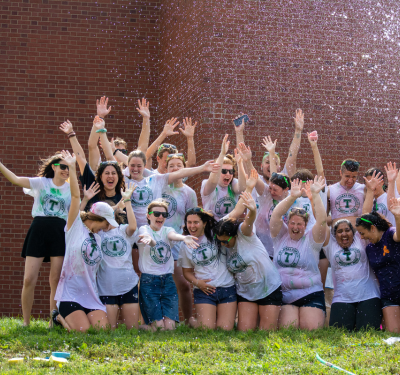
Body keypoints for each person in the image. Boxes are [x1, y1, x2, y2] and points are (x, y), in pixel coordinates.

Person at [0, 152, 71, 327]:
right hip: (38, 229)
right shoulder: (41, 183)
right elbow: (15, 180)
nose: (66, 170)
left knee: (55, 279)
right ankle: (26, 322)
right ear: (54, 166)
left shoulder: (71, 188)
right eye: (63, 166)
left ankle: (53, 321)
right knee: (28, 279)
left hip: (59, 233)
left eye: (69, 167)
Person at [54, 150, 117, 332]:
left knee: (102, 331)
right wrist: (73, 168)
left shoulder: (97, 236)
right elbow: (75, 197)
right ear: (97, 218)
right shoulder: (74, 228)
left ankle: (65, 319)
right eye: (106, 223)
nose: (107, 228)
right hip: (70, 295)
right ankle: (59, 317)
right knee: (82, 332)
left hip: (90, 295)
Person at [214, 169, 282, 331]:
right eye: (220, 242)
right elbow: (236, 211)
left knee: (267, 332)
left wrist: (252, 210)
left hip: (268, 286)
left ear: (233, 235)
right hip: (246, 291)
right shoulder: (220, 230)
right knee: (244, 331)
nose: (223, 245)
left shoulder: (244, 234)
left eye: (226, 242)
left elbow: (248, 221)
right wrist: (249, 188)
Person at [270, 177, 327, 330]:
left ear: (305, 225)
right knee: (289, 330)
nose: (295, 227)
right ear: (287, 224)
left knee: (311, 331)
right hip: (285, 294)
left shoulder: (312, 241)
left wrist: (315, 195)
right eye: (292, 223)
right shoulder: (280, 237)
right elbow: (275, 215)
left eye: (299, 224)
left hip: (311, 293)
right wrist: (292, 197)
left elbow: (321, 221)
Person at [137, 200, 199, 330]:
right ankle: (141, 328)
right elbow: (147, 236)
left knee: (169, 329)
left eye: (164, 215)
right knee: (159, 328)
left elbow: (173, 235)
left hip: (167, 280)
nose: (160, 217)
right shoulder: (144, 228)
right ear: (148, 216)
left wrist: (183, 238)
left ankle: (148, 327)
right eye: (157, 213)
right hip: (149, 280)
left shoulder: (167, 230)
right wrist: (151, 240)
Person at [179, 207, 237, 330]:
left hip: (226, 287)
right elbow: (187, 272)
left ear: (204, 223)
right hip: (204, 291)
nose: (192, 226)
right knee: (207, 330)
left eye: (196, 222)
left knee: (224, 330)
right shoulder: (185, 245)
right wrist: (197, 283)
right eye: (189, 222)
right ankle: (192, 321)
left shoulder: (215, 234)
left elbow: (235, 213)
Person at [356, 175, 400, 333]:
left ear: (372, 228)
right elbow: (365, 215)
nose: (361, 237)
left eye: (362, 233)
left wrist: (397, 216)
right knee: (394, 335)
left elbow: (399, 236)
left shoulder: (391, 233)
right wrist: (369, 191)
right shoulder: (370, 248)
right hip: (388, 294)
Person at [322, 219, 381, 330]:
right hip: (342, 298)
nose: (344, 234)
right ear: (335, 235)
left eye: (347, 230)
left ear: (354, 233)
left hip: (368, 295)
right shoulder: (330, 246)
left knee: (368, 333)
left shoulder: (360, 240)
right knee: (338, 334)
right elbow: (321, 221)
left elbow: (365, 216)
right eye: (339, 231)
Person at [97, 184, 140, 330]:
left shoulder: (122, 230)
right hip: (106, 287)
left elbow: (133, 227)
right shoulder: (97, 233)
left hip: (128, 284)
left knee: (132, 329)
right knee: (109, 329)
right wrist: (113, 208)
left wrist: (127, 200)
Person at [162, 154, 198, 324]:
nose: (175, 169)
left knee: (183, 284)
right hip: (159, 242)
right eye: (171, 166)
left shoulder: (188, 192)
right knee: (156, 284)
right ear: (166, 169)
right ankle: (155, 320)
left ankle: (188, 318)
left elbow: (193, 219)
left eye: (179, 165)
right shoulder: (160, 187)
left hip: (178, 243)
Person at [201, 134, 245, 221]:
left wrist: (240, 163)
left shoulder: (233, 183)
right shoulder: (207, 183)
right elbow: (213, 182)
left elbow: (242, 188)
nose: (228, 174)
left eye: (231, 171)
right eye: (224, 171)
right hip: (211, 231)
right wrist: (222, 154)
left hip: (230, 230)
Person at [327, 159, 364, 228]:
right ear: (341, 173)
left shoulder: (363, 189)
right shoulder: (330, 190)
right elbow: (324, 217)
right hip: (336, 235)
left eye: (354, 177)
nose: (350, 180)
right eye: (347, 176)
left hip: (358, 234)